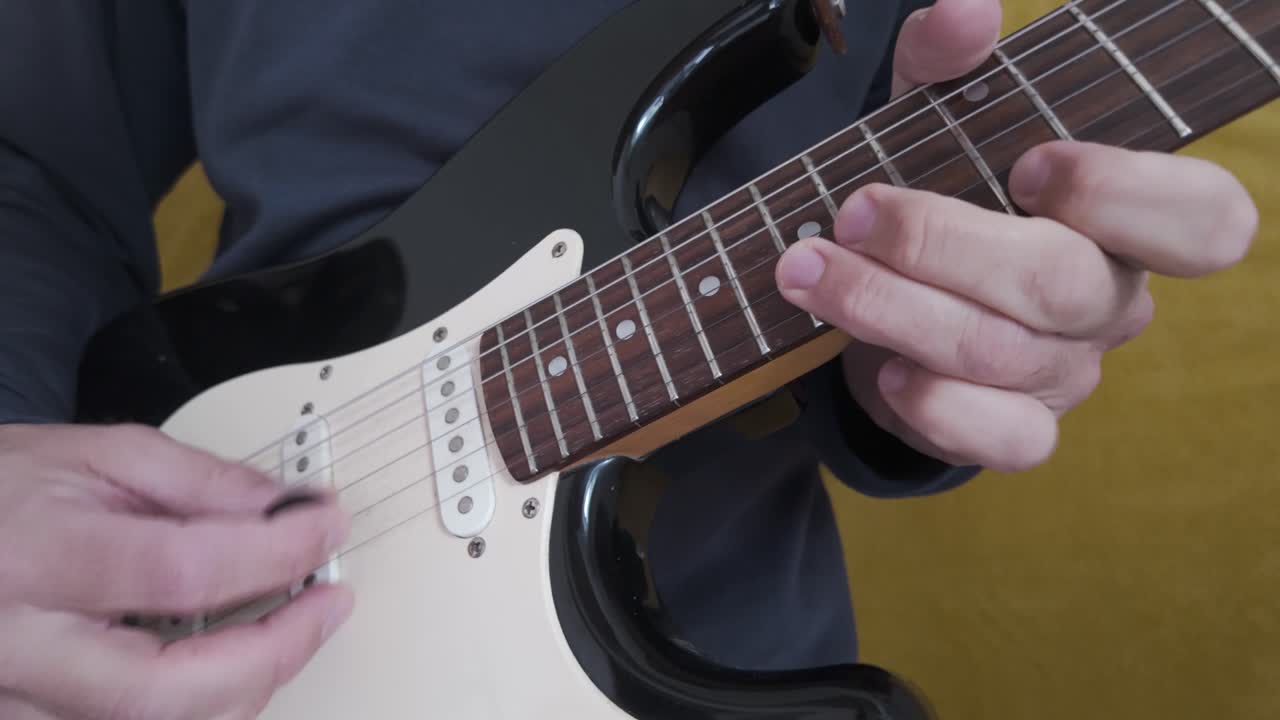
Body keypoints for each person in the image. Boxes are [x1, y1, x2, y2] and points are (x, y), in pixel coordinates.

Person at [0, 0, 1259, 718]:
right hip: (186, 531)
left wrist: (945, 340)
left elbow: (885, 150)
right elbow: (31, 163)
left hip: (692, 634)